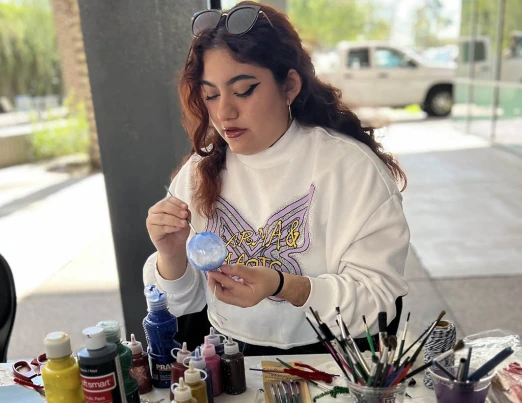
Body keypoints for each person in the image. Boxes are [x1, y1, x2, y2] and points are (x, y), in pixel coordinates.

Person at [143, 1, 410, 355]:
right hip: (229, 357)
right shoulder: (201, 170)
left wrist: (285, 286)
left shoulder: (349, 168)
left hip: (332, 360)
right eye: (211, 95)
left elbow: (378, 300)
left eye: (244, 90)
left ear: (289, 86)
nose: (224, 112)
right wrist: (170, 255)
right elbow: (181, 304)